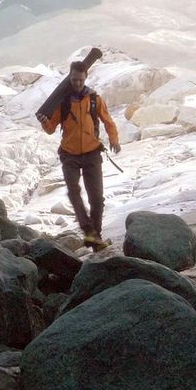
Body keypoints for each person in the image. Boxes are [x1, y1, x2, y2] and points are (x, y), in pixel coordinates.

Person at [36, 60, 120, 250]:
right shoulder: (63, 102)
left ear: (86, 78)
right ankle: (88, 230)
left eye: (81, 80)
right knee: (73, 191)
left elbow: (108, 121)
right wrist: (44, 122)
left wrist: (114, 139)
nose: (77, 83)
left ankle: (96, 237)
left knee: (97, 199)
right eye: (74, 80)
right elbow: (51, 129)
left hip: (92, 153)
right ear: (69, 78)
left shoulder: (94, 99)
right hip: (69, 155)